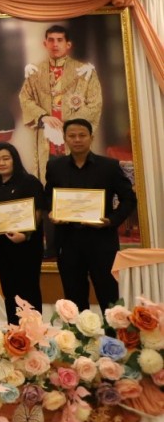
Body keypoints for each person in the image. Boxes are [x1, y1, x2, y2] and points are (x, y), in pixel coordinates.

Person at [46, 118, 137, 310]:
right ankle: (78, 331)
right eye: (72, 136)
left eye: (82, 135)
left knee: (109, 297)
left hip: (101, 241)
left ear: (91, 137)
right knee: (73, 299)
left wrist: (110, 220)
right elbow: (48, 198)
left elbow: (129, 199)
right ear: (65, 138)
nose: (77, 139)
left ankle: (112, 330)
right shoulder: (55, 167)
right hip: (68, 241)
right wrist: (53, 212)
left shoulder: (109, 166)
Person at [19, 24, 103, 181]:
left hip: (73, 137)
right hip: (47, 140)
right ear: (45, 44)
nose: (55, 44)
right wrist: (43, 117)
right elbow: (25, 98)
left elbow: (94, 104)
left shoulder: (84, 71)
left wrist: (67, 123)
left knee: (77, 179)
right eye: (51, 40)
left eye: (59, 40)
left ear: (68, 44)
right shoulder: (35, 72)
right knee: (50, 179)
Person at [0, 141, 46, 324]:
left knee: (29, 289)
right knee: (9, 290)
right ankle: (14, 330)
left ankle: (34, 331)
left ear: (14, 160)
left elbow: (38, 212)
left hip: (27, 245)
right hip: (4, 246)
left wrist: (25, 234)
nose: (1, 163)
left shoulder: (29, 182)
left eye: (6, 158)